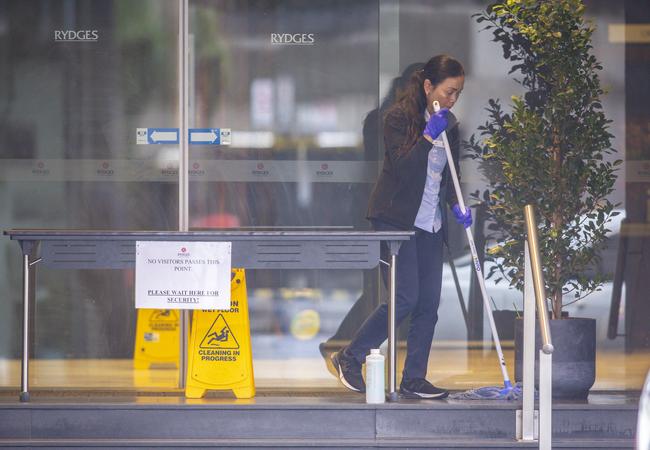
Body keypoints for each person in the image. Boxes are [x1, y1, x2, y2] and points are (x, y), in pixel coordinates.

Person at [330, 54, 471, 399]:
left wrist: (457, 204)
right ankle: (350, 356)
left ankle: (414, 378)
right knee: (404, 298)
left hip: (431, 223)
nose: (453, 100)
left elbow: (450, 174)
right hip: (396, 220)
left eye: (458, 94)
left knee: (429, 304)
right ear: (428, 86)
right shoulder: (396, 119)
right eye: (449, 91)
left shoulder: (449, 124)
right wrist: (426, 137)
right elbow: (405, 169)